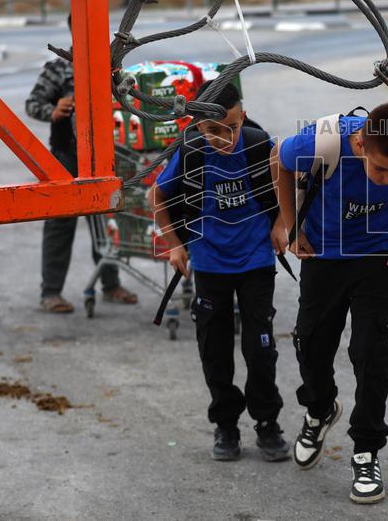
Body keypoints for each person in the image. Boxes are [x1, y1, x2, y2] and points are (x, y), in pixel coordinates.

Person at [275, 103, 388, 505]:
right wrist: (292, 228)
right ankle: (320, 409)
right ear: (360, 145)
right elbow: (280, 162)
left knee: (372, 352)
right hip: (324, 253)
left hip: (379, 256)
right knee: (310, 343)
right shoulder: (321, 141)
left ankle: (366, 451)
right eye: (381, 170)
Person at [151, 81, 291, 462]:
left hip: (257, 261)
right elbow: (157, 195)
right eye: (213, 130)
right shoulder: (191, 151)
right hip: (209, 263)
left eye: (231, 127)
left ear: (242, 117)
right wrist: (174, 244)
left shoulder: (260, 145)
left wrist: (281, 223)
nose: (223, 138)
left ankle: (267, 422)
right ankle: (226, 425)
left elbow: (287, 183)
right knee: (214, 349)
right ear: (198, 125)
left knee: (260, 349)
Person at [25, 31, 139, 314]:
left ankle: (111, 285)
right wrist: (54, 110)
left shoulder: (110, 66)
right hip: (65, 159)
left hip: (104, 159)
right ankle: (51, 292)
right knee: (59, 225)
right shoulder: (58, 68)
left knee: (106, 223)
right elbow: (32, 104)